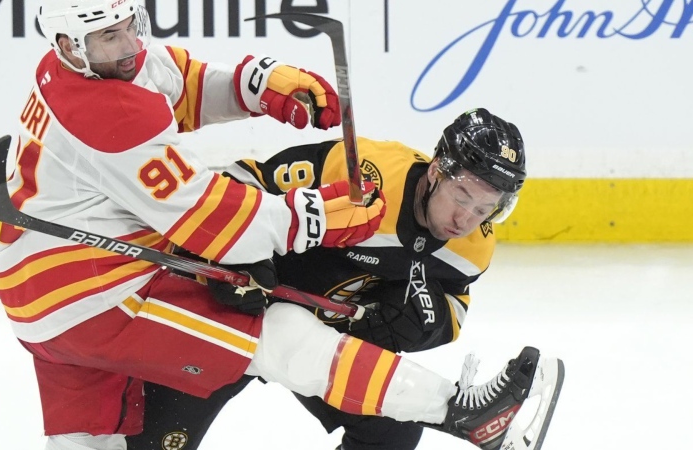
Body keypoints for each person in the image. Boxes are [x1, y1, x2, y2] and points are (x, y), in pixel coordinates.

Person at [0, 0, 562, 448]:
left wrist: (257, 86)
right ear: (68, 43)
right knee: (276, 335)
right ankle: (466, 412)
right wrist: (319, 216)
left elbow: (176, 82)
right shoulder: (107, 113)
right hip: (94, 292)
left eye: (131, 24)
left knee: (86, 440)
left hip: (43, 283)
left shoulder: (96, 65)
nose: (132, 43)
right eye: (110, 35)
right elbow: (207, 220)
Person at [128, 109, 564, 450]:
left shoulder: (472, 248)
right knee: (155, 440)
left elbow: (453, 303)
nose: (465, 219)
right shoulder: (363, 174)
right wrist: (237, 254)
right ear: (436, 171)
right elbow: (243, 180)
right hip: (232, 314)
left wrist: (421, 323)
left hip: (320, 344)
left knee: (393, 432)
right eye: (462, 196)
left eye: (485, 209)